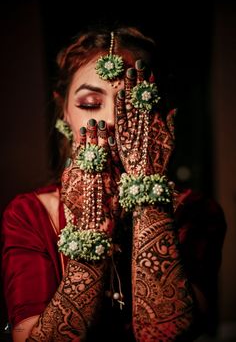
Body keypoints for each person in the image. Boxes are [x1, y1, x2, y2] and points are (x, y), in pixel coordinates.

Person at [0, 24, 227, 342]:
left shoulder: (196, 211)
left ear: (157, 114)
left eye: (132, 107)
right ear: (64, 110)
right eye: (90, 104)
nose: (109, 121)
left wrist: (146, 190)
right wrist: (92, 228)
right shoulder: (29, 215)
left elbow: (166, 335)